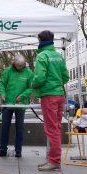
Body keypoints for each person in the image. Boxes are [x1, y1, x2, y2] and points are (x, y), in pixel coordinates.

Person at [32, 30, 69, 171]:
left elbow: (40, 78)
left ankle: (54, 161)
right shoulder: (58, 56)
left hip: (49, 96)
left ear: (41, 40)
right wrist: (56, 81)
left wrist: (32, 84)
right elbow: (66, 77)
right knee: (57, 128)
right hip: (60, 95)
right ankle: (53, 159)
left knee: (52, 129)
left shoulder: (42, 56)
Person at [0, 55, 33, 158]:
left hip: (21, 104)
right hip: (7, 103)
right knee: (5, 127)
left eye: (21, 66)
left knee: (19, 127)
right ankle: (3, 150)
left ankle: (18, 150)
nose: (20, 67)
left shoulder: (29, 73)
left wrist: (22, 96)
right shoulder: (8, 71)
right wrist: (3, 94)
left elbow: (31, 88)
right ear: (14, 63)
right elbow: (2, 84)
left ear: (24, 64)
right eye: (18, 66)